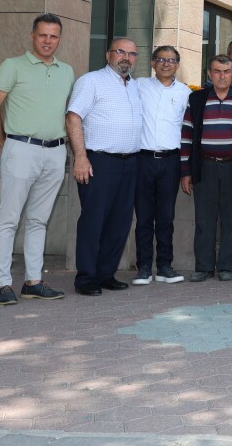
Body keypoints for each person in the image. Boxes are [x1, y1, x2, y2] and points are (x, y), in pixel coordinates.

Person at [0, 14, 74, 305]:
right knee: (8, 219)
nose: (48, 41)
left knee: (38, 220)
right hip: (21, 148)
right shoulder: (12, 66)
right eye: (42, 35)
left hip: (56, 151)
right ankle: (2, 285)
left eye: (53, 36)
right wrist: (6, 144)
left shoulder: (66, 71)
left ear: (59, 39)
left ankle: (33, 282)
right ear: (32, 36)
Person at [66, 38, 144, 296]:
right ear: (108, 54)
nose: (126, 57)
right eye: (121, 52)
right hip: (99, 162)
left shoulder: (134, 86)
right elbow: (73, 117)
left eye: (132, 54)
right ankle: (86, 278)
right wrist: (80, 156)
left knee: (120, 221)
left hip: (130, 162)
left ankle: (105, 274)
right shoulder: (91, 81)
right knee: (93, 220)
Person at [181, 56, 232, 282]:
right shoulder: (197, 99)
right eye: (217, 71)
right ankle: (204, 266)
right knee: (204, 219)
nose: (222, 76)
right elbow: (186, 135)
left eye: (227, 71)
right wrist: (185, 171)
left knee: (231, 220)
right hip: (205, 166)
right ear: (209, 74)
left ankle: (226, 266)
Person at [131, 45, 191, 286]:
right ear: (152, 63)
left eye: (171, 60)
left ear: (178, 65)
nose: (166, 64)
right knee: (144, 217)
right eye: (161, 59)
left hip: (171, 161)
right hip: (143, 160)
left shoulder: (186, 93)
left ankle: (165, 266)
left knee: (166, 217)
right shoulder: (138, 86)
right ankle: (144, 267)